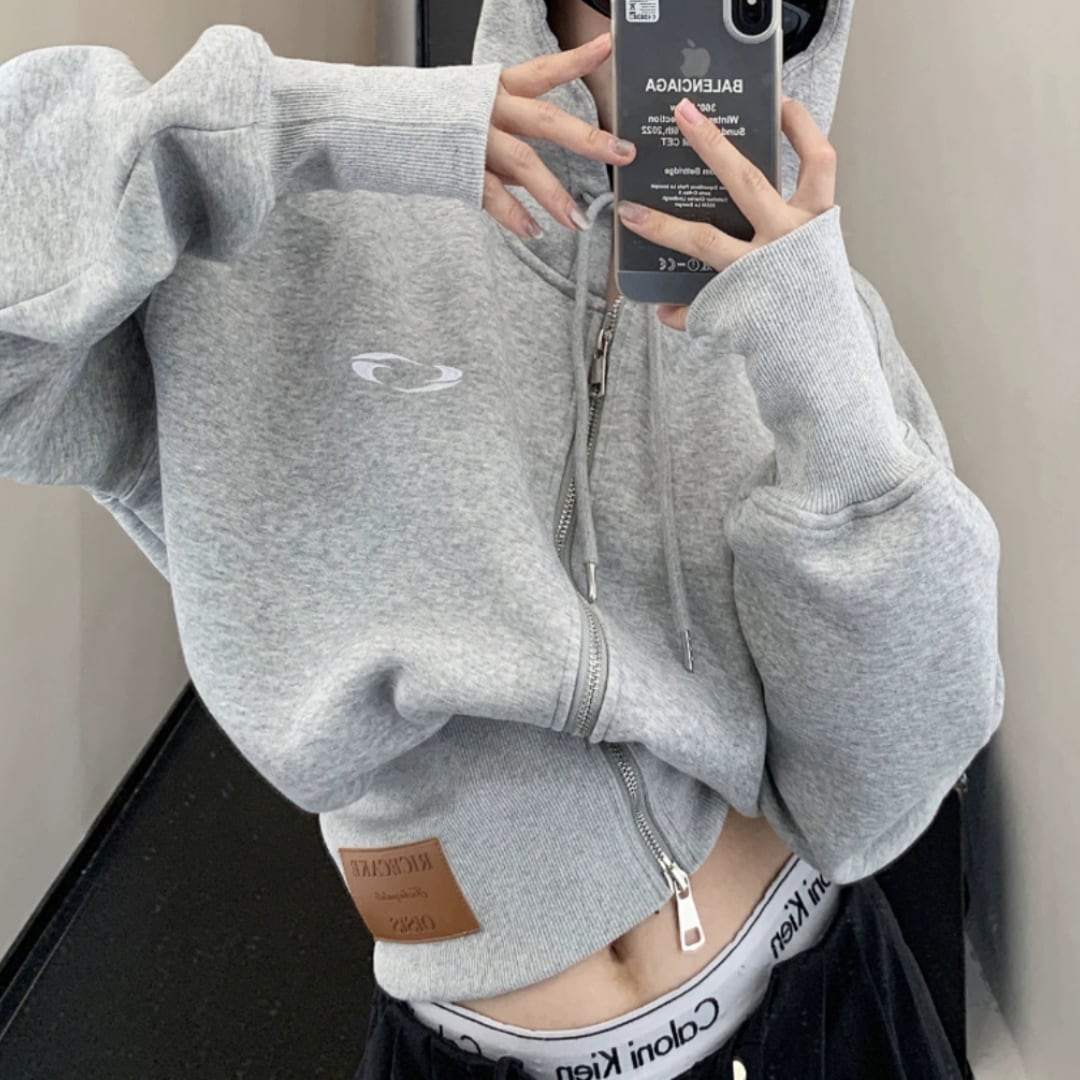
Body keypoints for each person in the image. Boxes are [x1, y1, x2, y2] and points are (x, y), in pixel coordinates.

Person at [0, 0, 1003, 1075]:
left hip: (829, 1001)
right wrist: (313, 128)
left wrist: (820, 375)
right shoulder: (290, 226)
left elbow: (869, 807)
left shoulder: (813, 316)